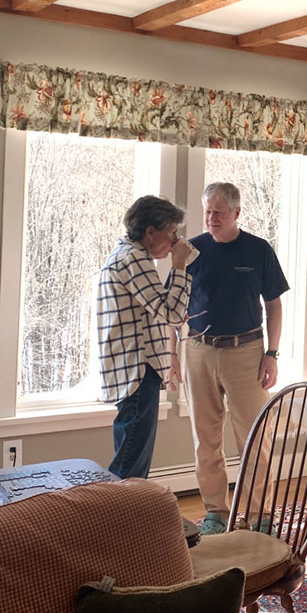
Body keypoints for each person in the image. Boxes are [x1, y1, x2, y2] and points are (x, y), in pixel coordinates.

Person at [185, 182, 288, 535]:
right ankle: (215, 512)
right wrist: (173, 358)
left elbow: (274, 305)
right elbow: (174, 308)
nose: (211, 218)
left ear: (237, 213)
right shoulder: (191, 251)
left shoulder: (258, 250)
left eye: (219, 212)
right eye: (207, 211)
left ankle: (260, 516)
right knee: (206, 439)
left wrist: (272, 354)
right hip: (198, 350)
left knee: (255, 438)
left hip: (246, 352)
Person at [96, 195, 194, 479]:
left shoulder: (124, 255)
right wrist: (179, 265)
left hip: (131, 370)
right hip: (138, 371)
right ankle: (117, 510)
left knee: (131, 459)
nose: (175, 241)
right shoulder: (134, 259)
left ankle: (122, 508)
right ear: (151, 231)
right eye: (172, 232)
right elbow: (172, 312)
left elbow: (157, 310)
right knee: (130, 469)